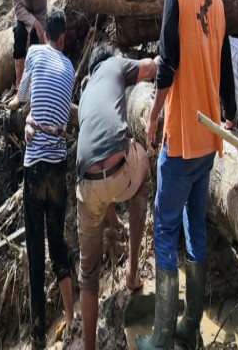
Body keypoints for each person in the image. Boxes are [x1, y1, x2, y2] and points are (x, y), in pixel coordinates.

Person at [138, 0, 236, 350]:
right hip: (208, 137)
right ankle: (191, 327)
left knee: (164, 228)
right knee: (196, 226)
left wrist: (154, 114)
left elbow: (167, 62)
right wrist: (228, 115)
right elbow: (227, 64)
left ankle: (161, 334)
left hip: (179, 136)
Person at [76, 43, 157, 350]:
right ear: (109, 60)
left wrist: (112, 221)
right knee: (143, 175)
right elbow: (150, 67)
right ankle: (133, 273)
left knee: (88, 274)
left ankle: (89, 347)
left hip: (87, 184)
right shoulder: (115, 65)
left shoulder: (85, 97)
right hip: (121, 169)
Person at [8, 8, 75, 349]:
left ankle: (37, 338)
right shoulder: (71, 69)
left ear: (46, 34)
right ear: (62, 38)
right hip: (59, 169)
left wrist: (19, 108)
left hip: (35, 166)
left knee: (36, 252)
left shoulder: (33, 52)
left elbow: (22, 97)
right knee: (58, 243)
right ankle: (73, 318)